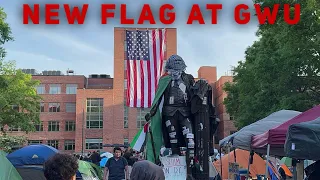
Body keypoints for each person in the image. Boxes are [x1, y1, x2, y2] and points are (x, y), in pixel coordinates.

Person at [146, 55, 195, 175]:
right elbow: (159, 97)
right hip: (169, 112)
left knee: (190, 137)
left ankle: (192, 160)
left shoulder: (188, 78)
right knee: (173, 137)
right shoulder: (165, 80)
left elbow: (194, 92)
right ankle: (175, 161)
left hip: (185, 111)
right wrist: (152, 112)